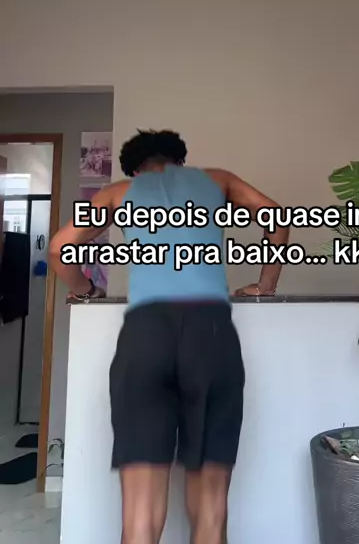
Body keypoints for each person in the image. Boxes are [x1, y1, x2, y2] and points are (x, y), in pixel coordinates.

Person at [49, 129, 289, 544]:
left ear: (134, 169)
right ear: (179, 160)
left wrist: (86, 290)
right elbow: (277, 217)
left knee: (140, 515)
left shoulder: (118, 193)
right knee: (210, 510)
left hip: (146, 336)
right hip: (211, 333)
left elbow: (59, 249)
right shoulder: (218, 180)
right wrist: (265, 285)